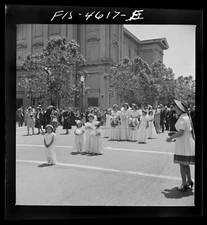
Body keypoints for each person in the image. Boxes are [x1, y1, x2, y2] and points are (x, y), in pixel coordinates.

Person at [166, 100, 195, 191]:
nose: (174, 108)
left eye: (175, 107)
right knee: (185, 164)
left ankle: (183, 184)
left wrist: (171, 138)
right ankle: (189, 180)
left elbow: (181, 132)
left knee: (182, 164)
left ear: (179, 109)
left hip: (183, 143)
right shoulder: (186, 116)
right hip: (186, 141)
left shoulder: (183, 118)